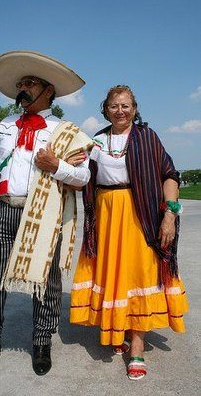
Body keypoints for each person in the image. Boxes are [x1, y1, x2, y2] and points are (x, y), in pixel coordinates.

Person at [0, 50, 92, 378]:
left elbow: (83, 177)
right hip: (4, 211)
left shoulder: (65, 130)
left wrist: (57, 165)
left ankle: (41, 343)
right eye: (20, 83)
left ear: (48, 90)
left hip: (43, 215)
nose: (22, 88)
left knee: (46, 282)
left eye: (29, 82)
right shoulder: (6, 126)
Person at [70, 85, 188, 380]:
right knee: (115, 275)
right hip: (106, 215)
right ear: (105, 110)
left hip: (142, 214)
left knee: (140, 275)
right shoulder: (96, 141)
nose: (120, 111)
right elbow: (81, 180)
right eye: (114, 106)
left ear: (135, 109)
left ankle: (137, 346)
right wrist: (64, 164)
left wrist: (169, 215)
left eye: (125, 105)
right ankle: (118, 327)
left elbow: (169, 175)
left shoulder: (147, 137)